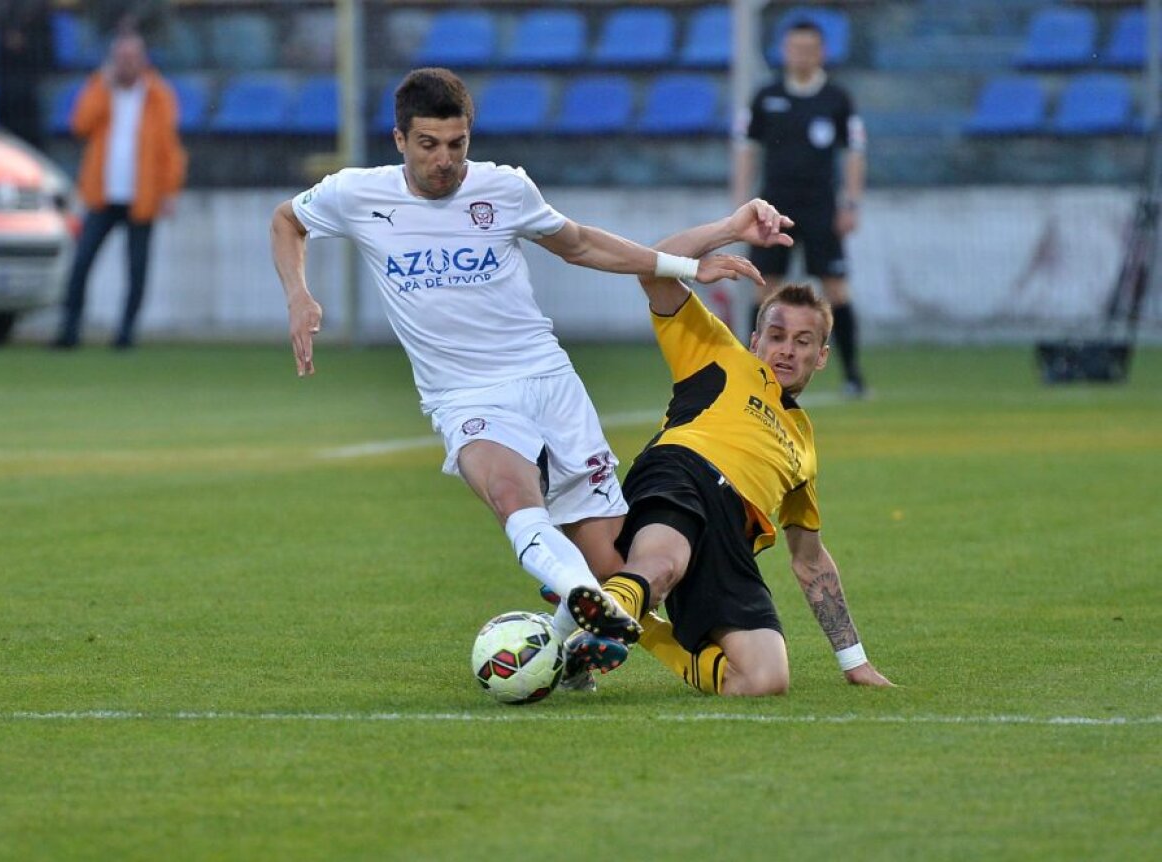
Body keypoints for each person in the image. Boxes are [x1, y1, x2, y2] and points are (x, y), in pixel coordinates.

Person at [270, 67, 762, 685]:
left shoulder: (504, 189)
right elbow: (287, 220)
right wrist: (298, 294)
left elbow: (579, 243)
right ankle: (584, 596)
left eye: (457, 144)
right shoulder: (356, 193)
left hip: (547, 381)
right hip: (464, 395)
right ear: (398, 140)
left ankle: (572, 631)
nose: (444, 160)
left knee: (625, 569)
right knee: (510, 495)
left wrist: (686, 265)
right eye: (428, 144)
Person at [569, 200, 894, 696]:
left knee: (765, 679)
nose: (788, 349)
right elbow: (652, 269)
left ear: (822, 357)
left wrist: (854, 660)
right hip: (684, 475)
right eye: (778, 335)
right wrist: (725, 231)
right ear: (755, 339)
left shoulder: (803, 446)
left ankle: (631, 624)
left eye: (804, 341)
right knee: (661, 564)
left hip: (732, 544)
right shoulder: (719, 354)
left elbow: (809, 559)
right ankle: (598, 626)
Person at [734, 19, 869, 397]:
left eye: (810, 49)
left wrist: (851, 203)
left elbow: (855, 153)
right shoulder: (765, 97)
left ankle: (853, 375)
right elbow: (747, 149)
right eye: (795, 48)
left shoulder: (837, 99)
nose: (802, 55)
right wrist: (742, 201)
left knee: (836, 289)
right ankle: (751, 373)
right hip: (772, 208)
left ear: (822, 52)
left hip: (821, 208)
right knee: (764, 290)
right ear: (784, 50)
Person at [53, 32, 186, 350]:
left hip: (142, 196)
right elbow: (80, 124)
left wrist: (169, 191)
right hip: (102, 194)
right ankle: (69, 330)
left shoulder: (158, 95)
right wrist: (103, 88)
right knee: (82, 261)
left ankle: (125, 333)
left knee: (136, 269)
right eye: (121, 58)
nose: (126, 65)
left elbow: (170, 148)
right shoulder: (100, 87)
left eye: (132, 58)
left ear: (143, 61)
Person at [0, 0, 54, 150]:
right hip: (7, 78)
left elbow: (46, 54)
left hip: (33, 76)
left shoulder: (40, 12)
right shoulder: (1, 10)